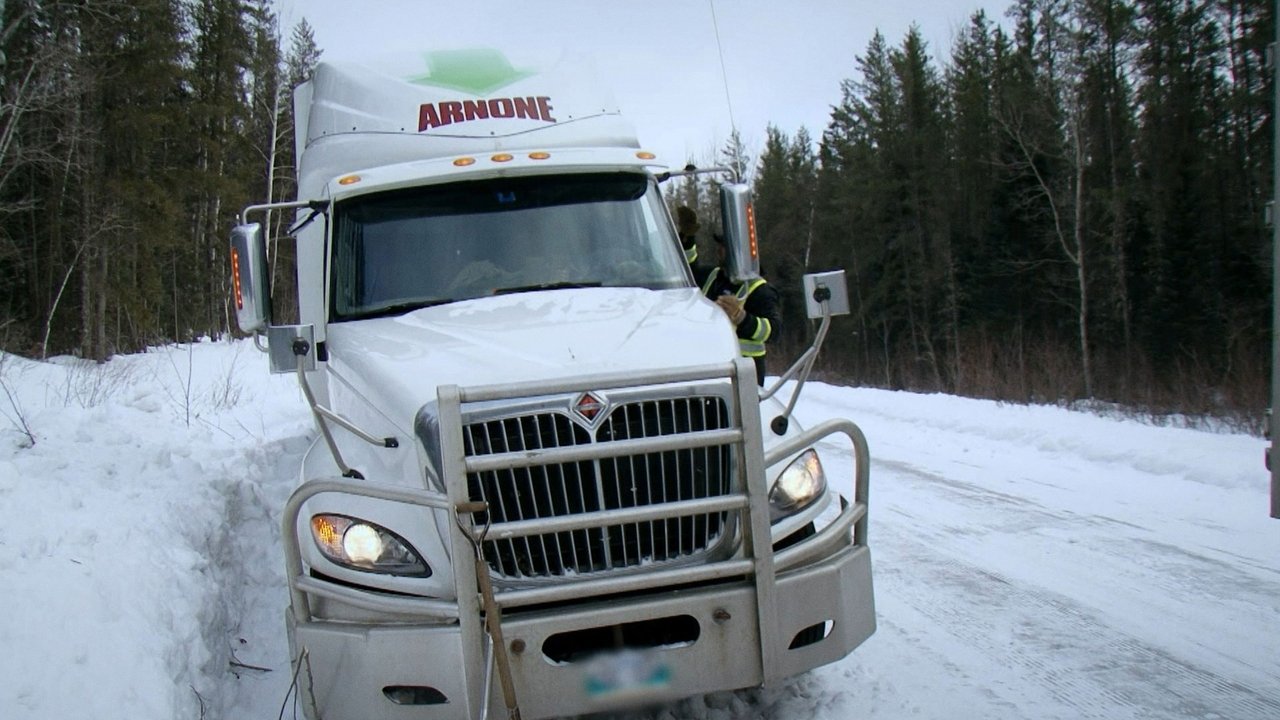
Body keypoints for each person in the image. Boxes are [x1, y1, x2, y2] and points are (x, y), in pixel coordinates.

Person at [678, 207, 779, 387]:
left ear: (740, 251)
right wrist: (687, 239)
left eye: (724, 247)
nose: (719, 251)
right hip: (712, 367)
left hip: (745, 375)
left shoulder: (760, 289)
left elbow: (773, 331)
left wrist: (742, 318)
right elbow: (686, 270)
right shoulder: (713, 276)